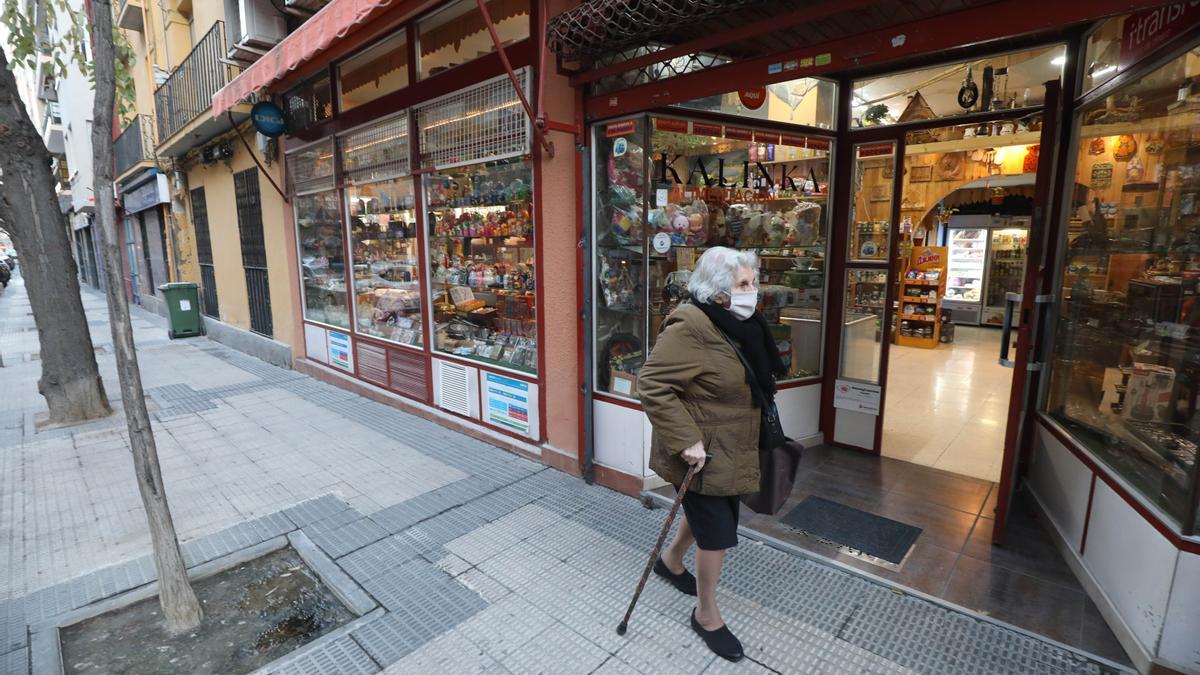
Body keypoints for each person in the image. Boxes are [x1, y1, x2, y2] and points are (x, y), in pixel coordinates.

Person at [638, 246, 785, 662]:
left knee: (707, 517)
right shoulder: (692, 325)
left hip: (733, 445)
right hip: (703, 454)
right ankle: (706, 614)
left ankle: (670, 559)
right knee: (718, 535)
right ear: (718, 290)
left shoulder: (741, 325)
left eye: (753, 283)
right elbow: (651, 384)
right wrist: (686, 439)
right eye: (743, 284)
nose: (752, 291)